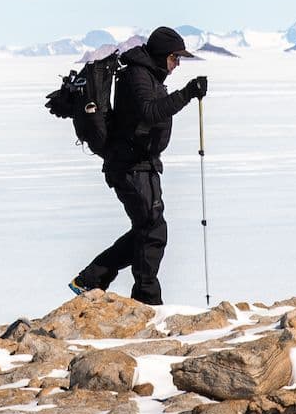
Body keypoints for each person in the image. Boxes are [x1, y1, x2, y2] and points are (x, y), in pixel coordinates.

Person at [69, 26, 208, 306]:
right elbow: (151, 111)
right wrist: (187, 93)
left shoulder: (149, 73)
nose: (177, 64)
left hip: (142, 163)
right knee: (152, 230)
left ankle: (91, 278)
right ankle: (146, 300)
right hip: (129, 165)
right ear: (161, 55)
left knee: (149, 228)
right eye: (174, 58)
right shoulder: (137, 75)